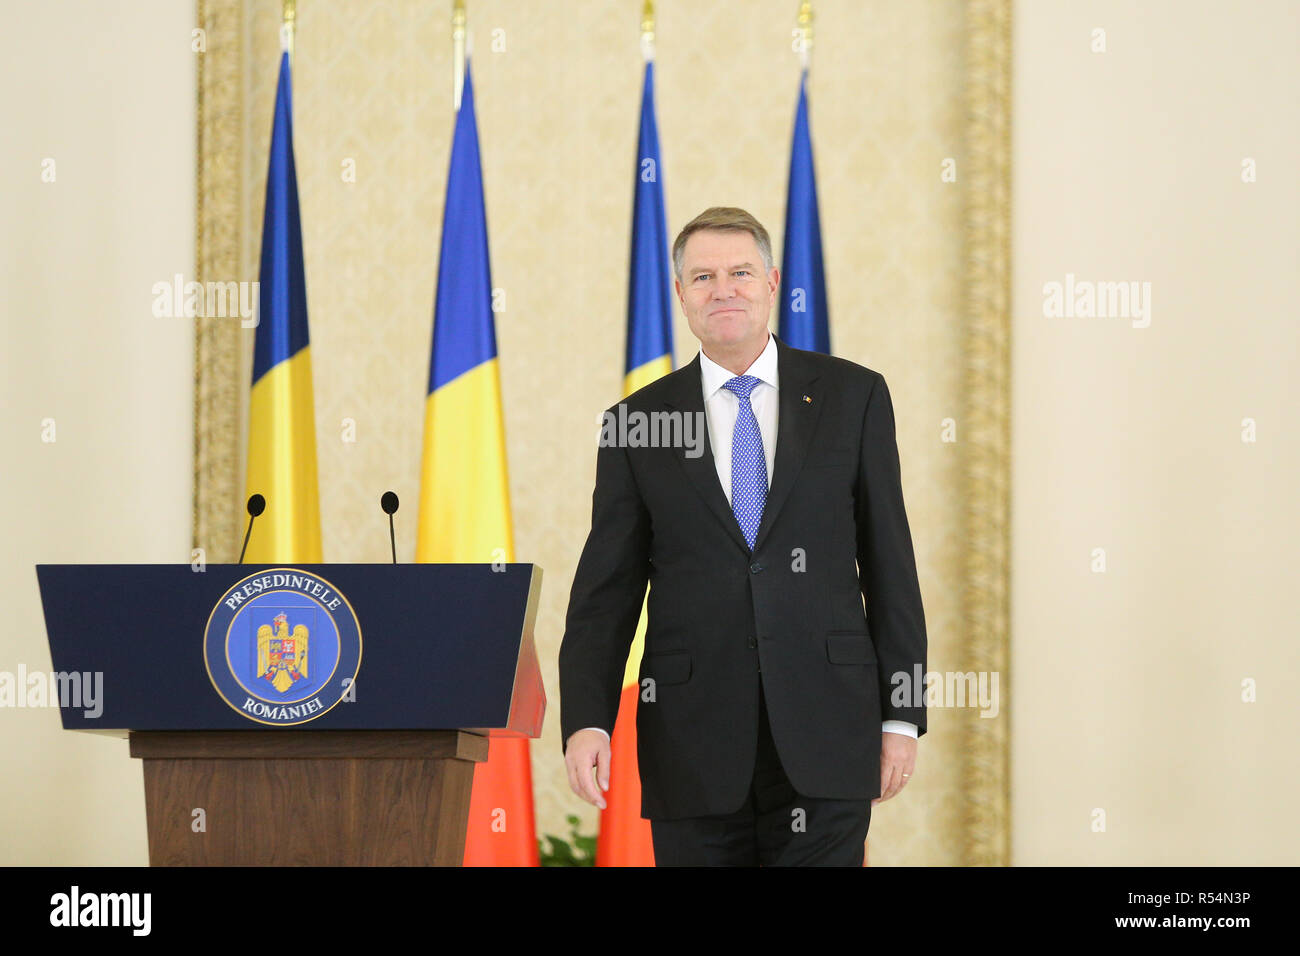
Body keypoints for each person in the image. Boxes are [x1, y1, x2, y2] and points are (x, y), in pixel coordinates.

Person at [559, 206, 927, 866]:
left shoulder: (854, 396)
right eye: (703, 277)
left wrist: (901, 715)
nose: (723, 290)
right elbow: (605, 593)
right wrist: (587, 720)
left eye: (741, 273)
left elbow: (890, 564)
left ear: (773, 282)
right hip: (691, 741)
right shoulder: (637, 423)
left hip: (828, 729)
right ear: (680, 293)